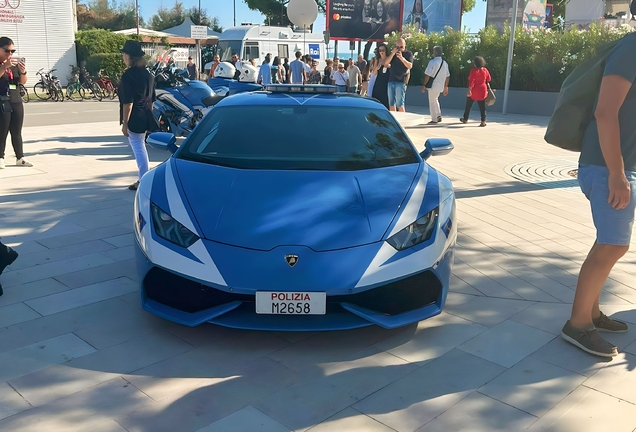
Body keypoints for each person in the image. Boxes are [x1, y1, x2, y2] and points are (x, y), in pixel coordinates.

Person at [560, 28, 636, 358]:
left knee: (607, 241)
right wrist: (618, 174)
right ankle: (577, 325)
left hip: (615, 166)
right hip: (609, 167)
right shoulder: (632, 47)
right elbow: (605, 112)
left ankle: (591, 313)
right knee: (613, 244)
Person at [118, 40, 156, 191]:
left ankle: (143, 179)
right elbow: (152, 99)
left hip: (135, 116)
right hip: (146, 113)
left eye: (124, 55)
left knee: (138, 147)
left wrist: (125, 123)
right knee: (141, 146)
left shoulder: (128, 76)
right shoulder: (148, 75)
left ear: (128, 56)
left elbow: (128, 102)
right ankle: (143, 177)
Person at [0, 36, 32, 169]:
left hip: (16, 99)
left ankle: (20, 157)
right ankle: (0, 157)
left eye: (12, 51)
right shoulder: (4, 64)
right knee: (2, 130)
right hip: (2, 99)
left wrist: (23, 70)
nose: (10, 54)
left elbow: (22, 82)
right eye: (7, 51)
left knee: (16, 130)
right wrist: (4, 67)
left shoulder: (13, 64)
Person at [421, 45, 450, 124]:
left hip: (433, 85)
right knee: (435, 99)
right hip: (440, 85)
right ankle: (438, 115)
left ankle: (434, 118)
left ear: (434, 53)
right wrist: (446, 86)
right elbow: (447, 76)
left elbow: (427, 75)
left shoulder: (432, 62)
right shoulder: (445, 63)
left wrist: (424, 84)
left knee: (432, 101)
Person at [460, 56, 491, 127]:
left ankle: (465, 118)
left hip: (474, 90)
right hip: (483, 89)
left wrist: (469, 90)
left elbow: (472, 81)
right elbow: (489, 79)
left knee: (468, 105)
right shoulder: (485, 70)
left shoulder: (473, 71)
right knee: (482, 106)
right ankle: (483, 121)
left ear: (475, 63)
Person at [384, 37, 413, 112]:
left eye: (401, 47)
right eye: (397, 47)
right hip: (391, 80)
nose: (399, 49)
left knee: (400, 104)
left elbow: (410, 66)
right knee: (391, 103)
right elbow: (386, 63)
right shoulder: (393, 54)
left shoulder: (408, 54)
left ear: (405, 45)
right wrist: (392, 53)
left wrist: (402, 58)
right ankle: (393, 119)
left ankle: (402, 120)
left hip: (400, 81)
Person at [372, 43, 390, 109]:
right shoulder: (377, 60)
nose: (381, 52)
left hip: (387, 82)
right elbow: (374, 73)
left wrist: (389, 66)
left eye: (383, 50)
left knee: (386, 101)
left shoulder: (389, 59)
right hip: (378, 82)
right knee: (376, 100)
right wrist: (377, 67)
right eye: (380, 50)